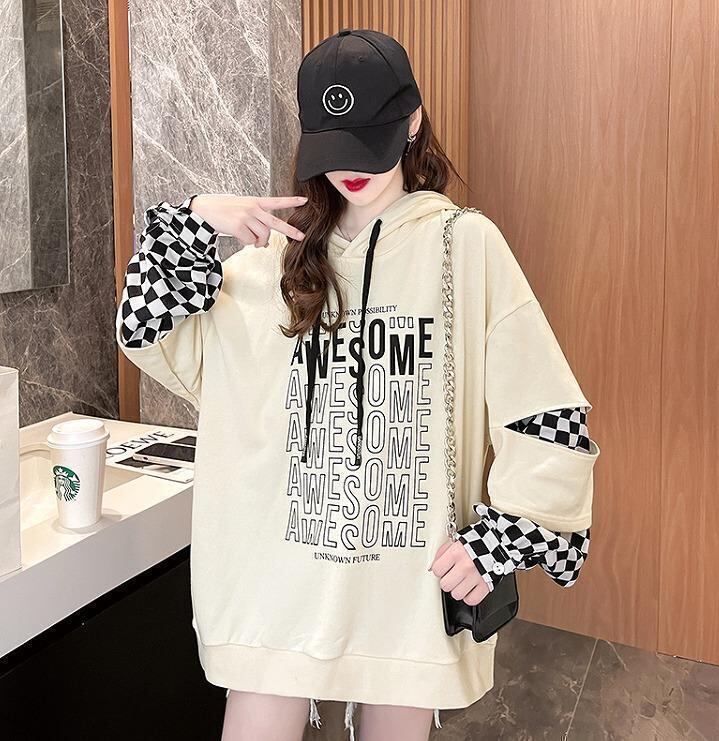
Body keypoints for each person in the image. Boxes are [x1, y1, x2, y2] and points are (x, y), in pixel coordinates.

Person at [116, 27, 600, 741]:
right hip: (276, 585)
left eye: (370, 140)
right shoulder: (269, 266)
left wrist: (501, 537)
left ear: (412, 120)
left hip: (407, 584)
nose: (352, 169)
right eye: (335, 145)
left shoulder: (463, 246)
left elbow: (547, 408)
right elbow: (147, 333)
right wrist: (189, 222)